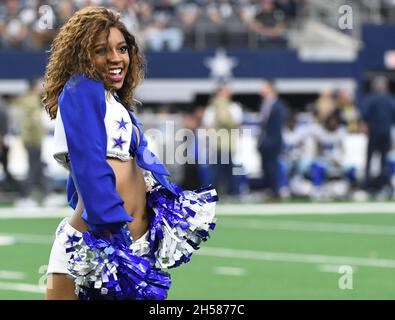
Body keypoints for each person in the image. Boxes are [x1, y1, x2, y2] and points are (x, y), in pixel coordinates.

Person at [43, 7, 217, 300]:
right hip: (96, 247)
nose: (116, 58)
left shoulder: (113, 101)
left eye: (122, 48)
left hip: (132, 245)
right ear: (82, 55)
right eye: (102, 51)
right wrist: (112, 226)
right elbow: (89, 167)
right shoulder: (81, 89)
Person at [362, 76, 395, 195]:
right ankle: (380, 186)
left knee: (371, 160)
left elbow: (364, 117)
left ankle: (368, 186)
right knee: (382, 161)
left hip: (375, 133)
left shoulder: (371, 99)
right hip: (384, 133)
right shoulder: (390, 100)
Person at [257, 80, 285, 200]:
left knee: (272, 167)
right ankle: (270, 191)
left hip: (273, 142)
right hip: (264, 142)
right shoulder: (264, 104)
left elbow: (277, 127)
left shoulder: (278, 105)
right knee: (266, 168)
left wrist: (271, 141)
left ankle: (275, 192)